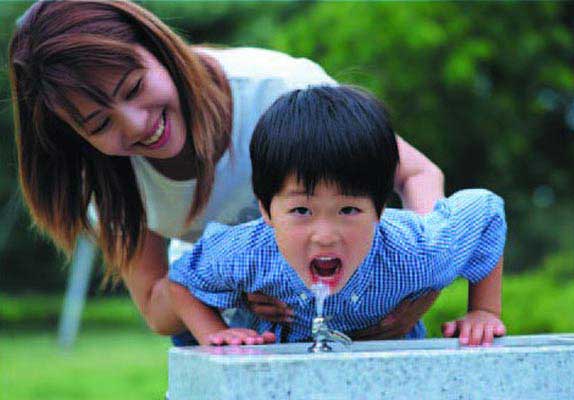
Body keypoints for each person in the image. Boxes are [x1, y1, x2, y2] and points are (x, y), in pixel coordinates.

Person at [9, 0, 444, 345]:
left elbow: (417, 173)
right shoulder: (106, 179)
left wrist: (420, 278)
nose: (136, 124)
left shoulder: (275, 90)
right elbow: (156, 307)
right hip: (226, 321)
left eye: (135, 88)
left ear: (158, 48)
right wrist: (238, 287)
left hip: (356, 293)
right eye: (100, 124)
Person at [169, 85, 507, 346]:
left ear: (380, 209)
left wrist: (484, 311)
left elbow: (486, 212)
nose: (326, 235)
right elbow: (182, 280)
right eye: (301, 210)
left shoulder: (415, 251)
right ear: (266, 210)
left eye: (348, 210)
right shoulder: (248, 252)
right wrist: (215, 333)